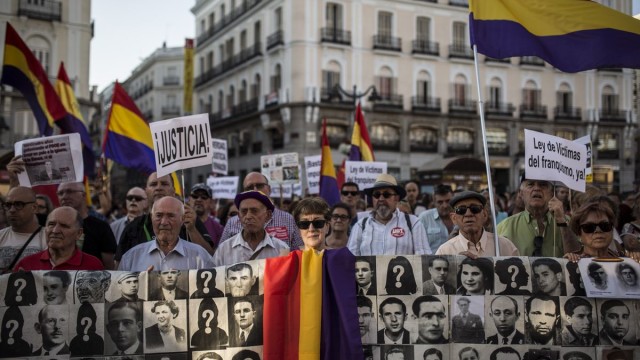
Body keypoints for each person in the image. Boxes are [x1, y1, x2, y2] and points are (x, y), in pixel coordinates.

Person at [116, 172, 214, 264]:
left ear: (173, 191)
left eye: (164, 184)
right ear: (146, 191)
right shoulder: (133, 227)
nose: (158, 188)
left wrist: (192, 230)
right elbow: (119, 268)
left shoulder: (189, 219)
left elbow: (208, 256)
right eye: (153, 184)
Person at [118, 196, 215, 271]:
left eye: (171, 216)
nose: (164, 222)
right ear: (152, 218)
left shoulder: (201, 257)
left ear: (182, 219)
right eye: (159, 215)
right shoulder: (131, 258)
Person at [497, 174, 579, 257]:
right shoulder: (504, 227)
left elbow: (577, 258)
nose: (536, 188)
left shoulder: (569, 222)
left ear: (552, 193)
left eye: (543, 185)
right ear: (521, 193)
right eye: (530, 184)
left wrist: (562, 222)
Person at [348, 174, 430, 255]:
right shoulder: (360, 226)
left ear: (396, 198)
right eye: (377, 195)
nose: (381, 199)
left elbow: (423, 259)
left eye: (386, 194)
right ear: (372, 199)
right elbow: (350, 259)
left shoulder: (413, 223)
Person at [220, 172, 303, 249]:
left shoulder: (288, 219)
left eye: (259, 186)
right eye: (249, 187)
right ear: (244, 191)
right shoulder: (232, 223)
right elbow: (221, 255)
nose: (255, 190)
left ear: (269, 189)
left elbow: (299, 251)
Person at [14, 207, 104, 271]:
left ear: (79, 233)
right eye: (51, 224)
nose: (55, 230)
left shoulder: (93, 265)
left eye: (64, 226)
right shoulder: (26, 265)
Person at [213, 191, 289, 266]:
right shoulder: (224, 250)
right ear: (239, 216)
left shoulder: (281, 249)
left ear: (268, 215)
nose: (248, 216)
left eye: (254, 211)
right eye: (244, 212)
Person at [437, 191, 519, 256]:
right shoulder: (445, 251)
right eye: (461, 210)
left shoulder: (505, 246)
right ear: (454, 218)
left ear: (485, 214)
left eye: (475, 209)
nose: (468, 214)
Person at [56, 182, 117, 269]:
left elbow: (109, 267)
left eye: (69, 192)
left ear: (84, 195)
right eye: (60, 193)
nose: (64, 196)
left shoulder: (101, 227)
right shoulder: (52, 227)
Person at [0, 186, 47, 272]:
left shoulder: (50, 237)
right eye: (8, 205)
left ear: (34, 208)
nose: (12, 210)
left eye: (19, 204)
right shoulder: (1, 236)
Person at [419, 184, 455, 253]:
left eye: (448, 201)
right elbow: (418, 246)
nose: (445, 205)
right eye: (440, 202)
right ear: (434, 202)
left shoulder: (462, 216)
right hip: (431, 262)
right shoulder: (425, 218)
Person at [189, 183, 224, 249]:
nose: (199, 199)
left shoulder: (218, 229)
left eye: (204, 197)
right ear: (189, 200)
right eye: (195, 196)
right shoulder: (180, 223)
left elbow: (218, 256)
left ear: (211, 202)